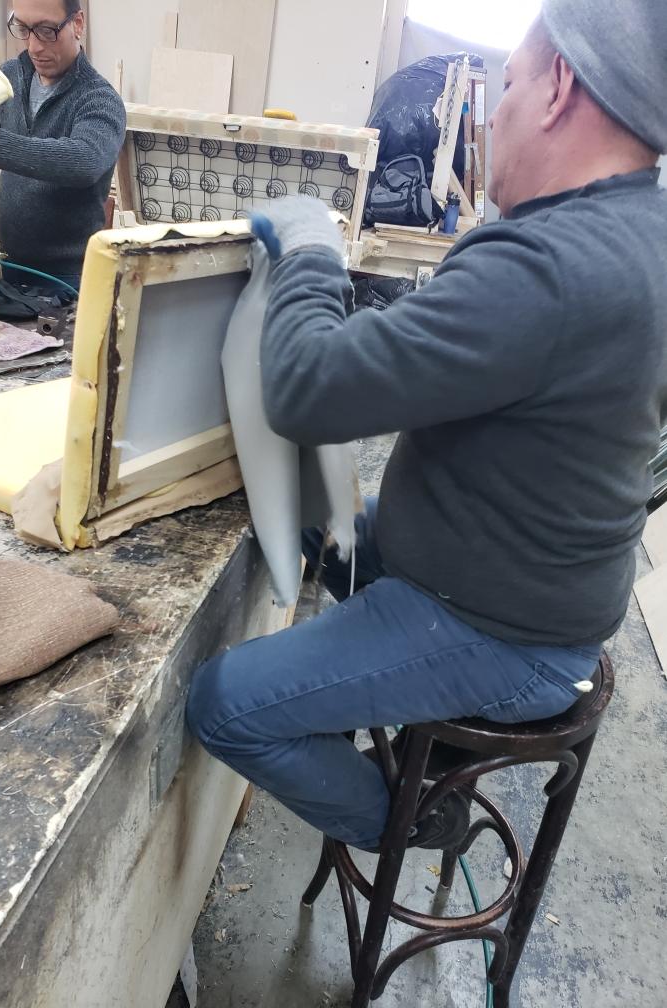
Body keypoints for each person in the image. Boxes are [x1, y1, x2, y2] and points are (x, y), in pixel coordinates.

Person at [186, 0, 667, 855]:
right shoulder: (641, 235)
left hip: (497, 632)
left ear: (558, 87)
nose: (496, 115)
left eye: (507, 86)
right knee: (304, 515)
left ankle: (413, 821)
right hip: (516, 583)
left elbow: (303, 390)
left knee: (225, 701)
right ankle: (345, 702)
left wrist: (310, 254)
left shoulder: (550, 267)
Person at [0, 0, 126, 292]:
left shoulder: (99, 99)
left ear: (78, 24)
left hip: (71, 279)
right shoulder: (11, 77)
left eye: (47, 30)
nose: (34, 46)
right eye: (23, 28)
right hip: (13, 265)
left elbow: (85, 160)